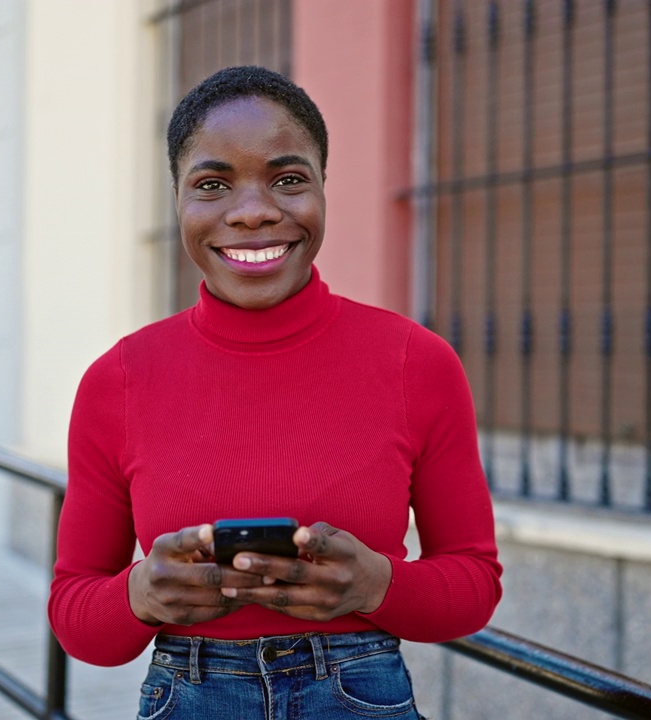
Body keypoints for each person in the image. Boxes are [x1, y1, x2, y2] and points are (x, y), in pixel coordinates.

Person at [48, 65, 501, 719]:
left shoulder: (416, 363)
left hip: (359, 694)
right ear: (177, 199)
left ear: (322, 189)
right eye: (213, 184)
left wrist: (378, 585)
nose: (255, 210)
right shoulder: (116, 381)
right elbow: (76, 616)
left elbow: (472, 584)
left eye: (288, 179)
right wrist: (143, 594)